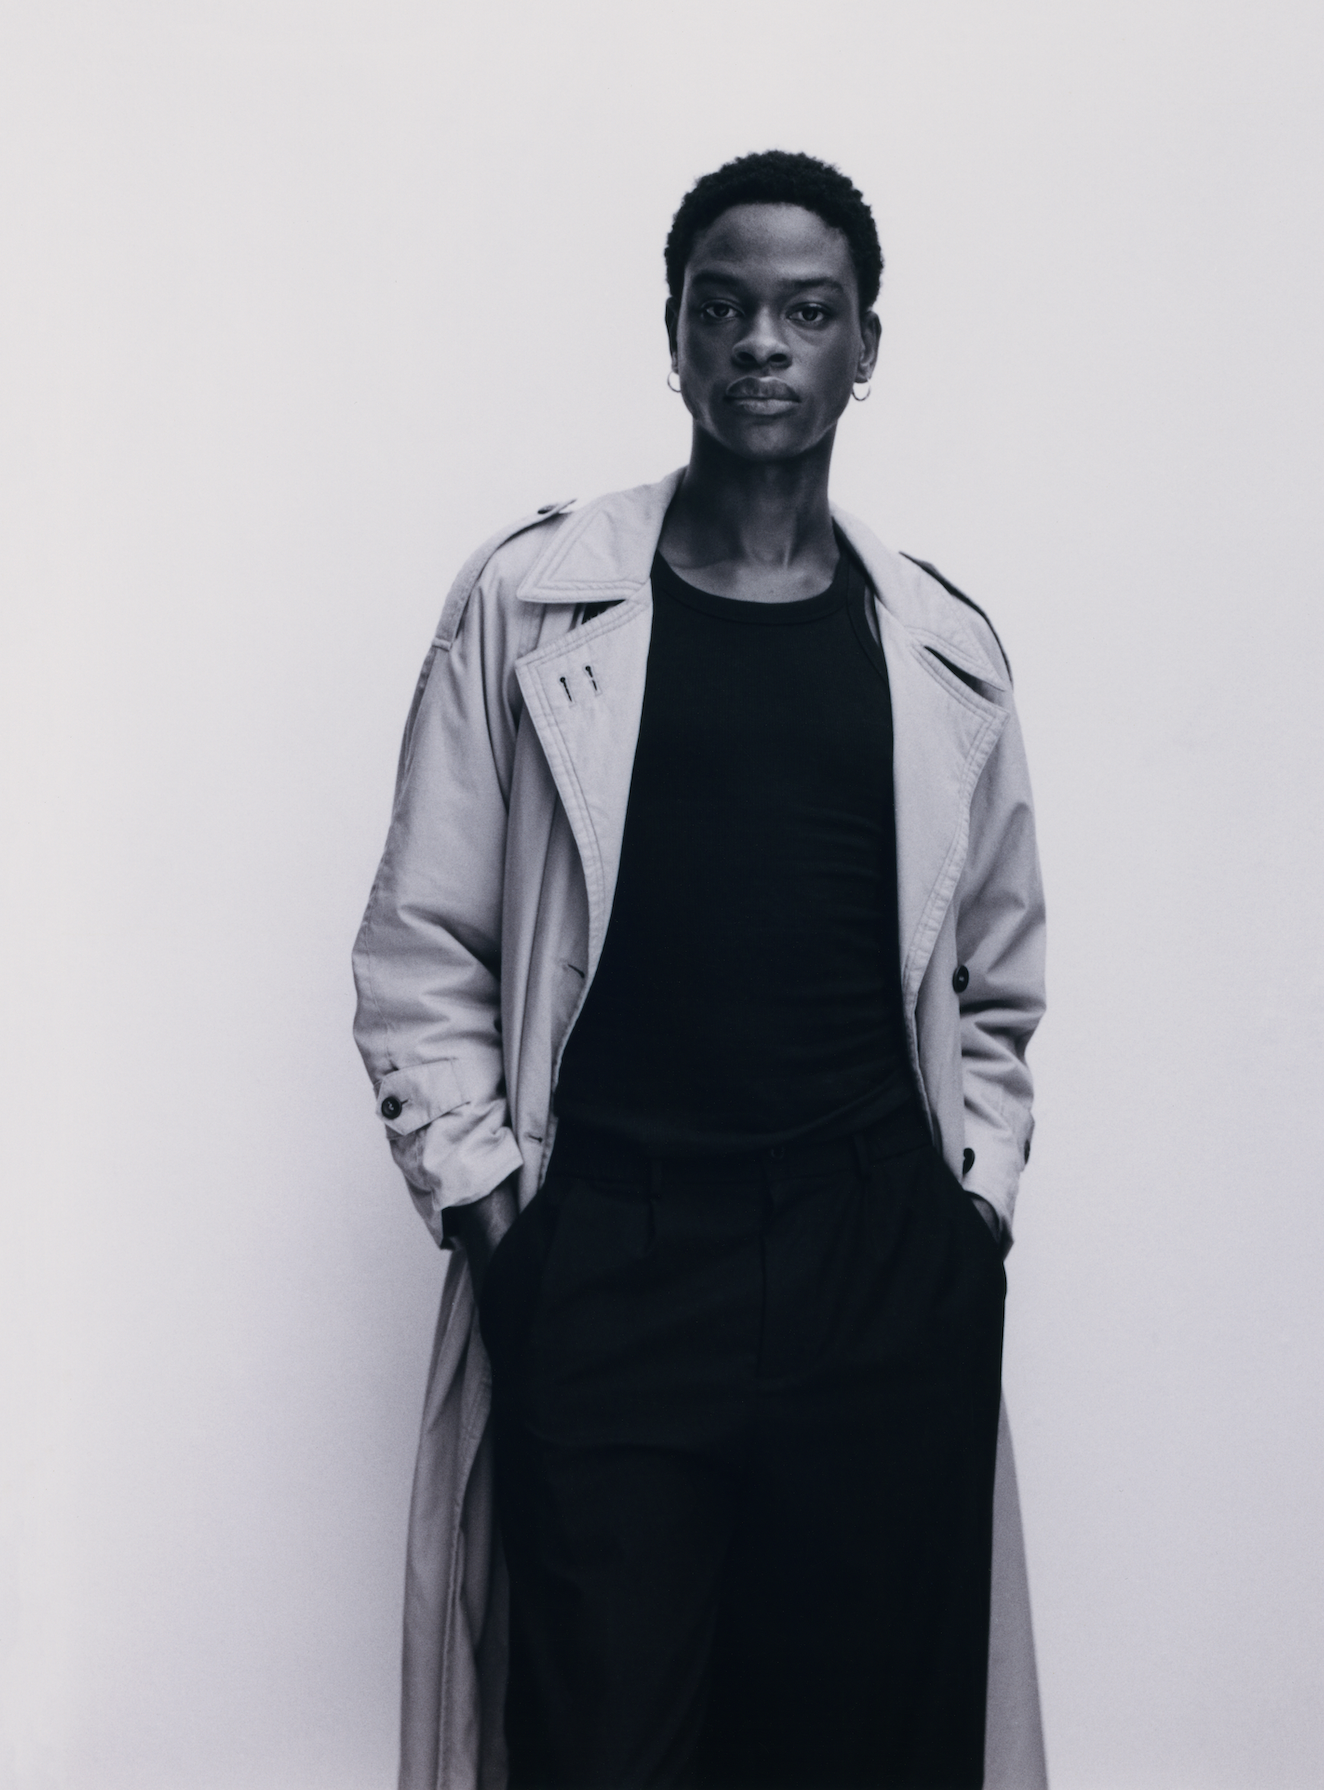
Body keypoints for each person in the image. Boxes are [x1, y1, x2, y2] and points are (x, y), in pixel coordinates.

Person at [354, 150, 1047, 1790]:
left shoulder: (940, 646)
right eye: (722, 309)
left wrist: (970, 1216)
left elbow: (1000, 976)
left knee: (860, 1749)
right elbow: (421, 942)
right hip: (614, 1254)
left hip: (877, 1262)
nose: (761, 345)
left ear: (865, 346)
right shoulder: (535, 605)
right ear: (673, 338)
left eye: (806, 312)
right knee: (599, 1743)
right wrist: (506, 1231)